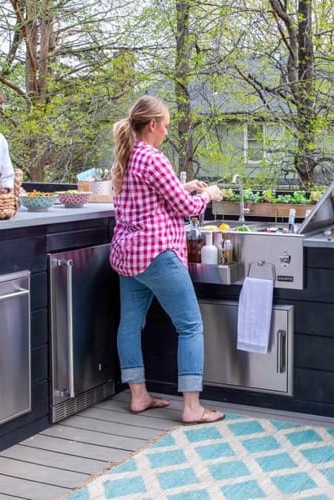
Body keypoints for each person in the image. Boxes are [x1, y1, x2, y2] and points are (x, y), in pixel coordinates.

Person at [109, 95, 226, 425]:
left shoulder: (126, 155)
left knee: (130, 325)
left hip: (127, 254)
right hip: (157, 253)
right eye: (165, 126)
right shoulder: (153, 157)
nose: (166, 133)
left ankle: (138, 396)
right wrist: (207, 194)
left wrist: (183, 185)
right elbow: (186, 209)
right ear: (152, 125)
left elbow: (150, 196)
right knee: (190, 327)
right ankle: (192, 407)